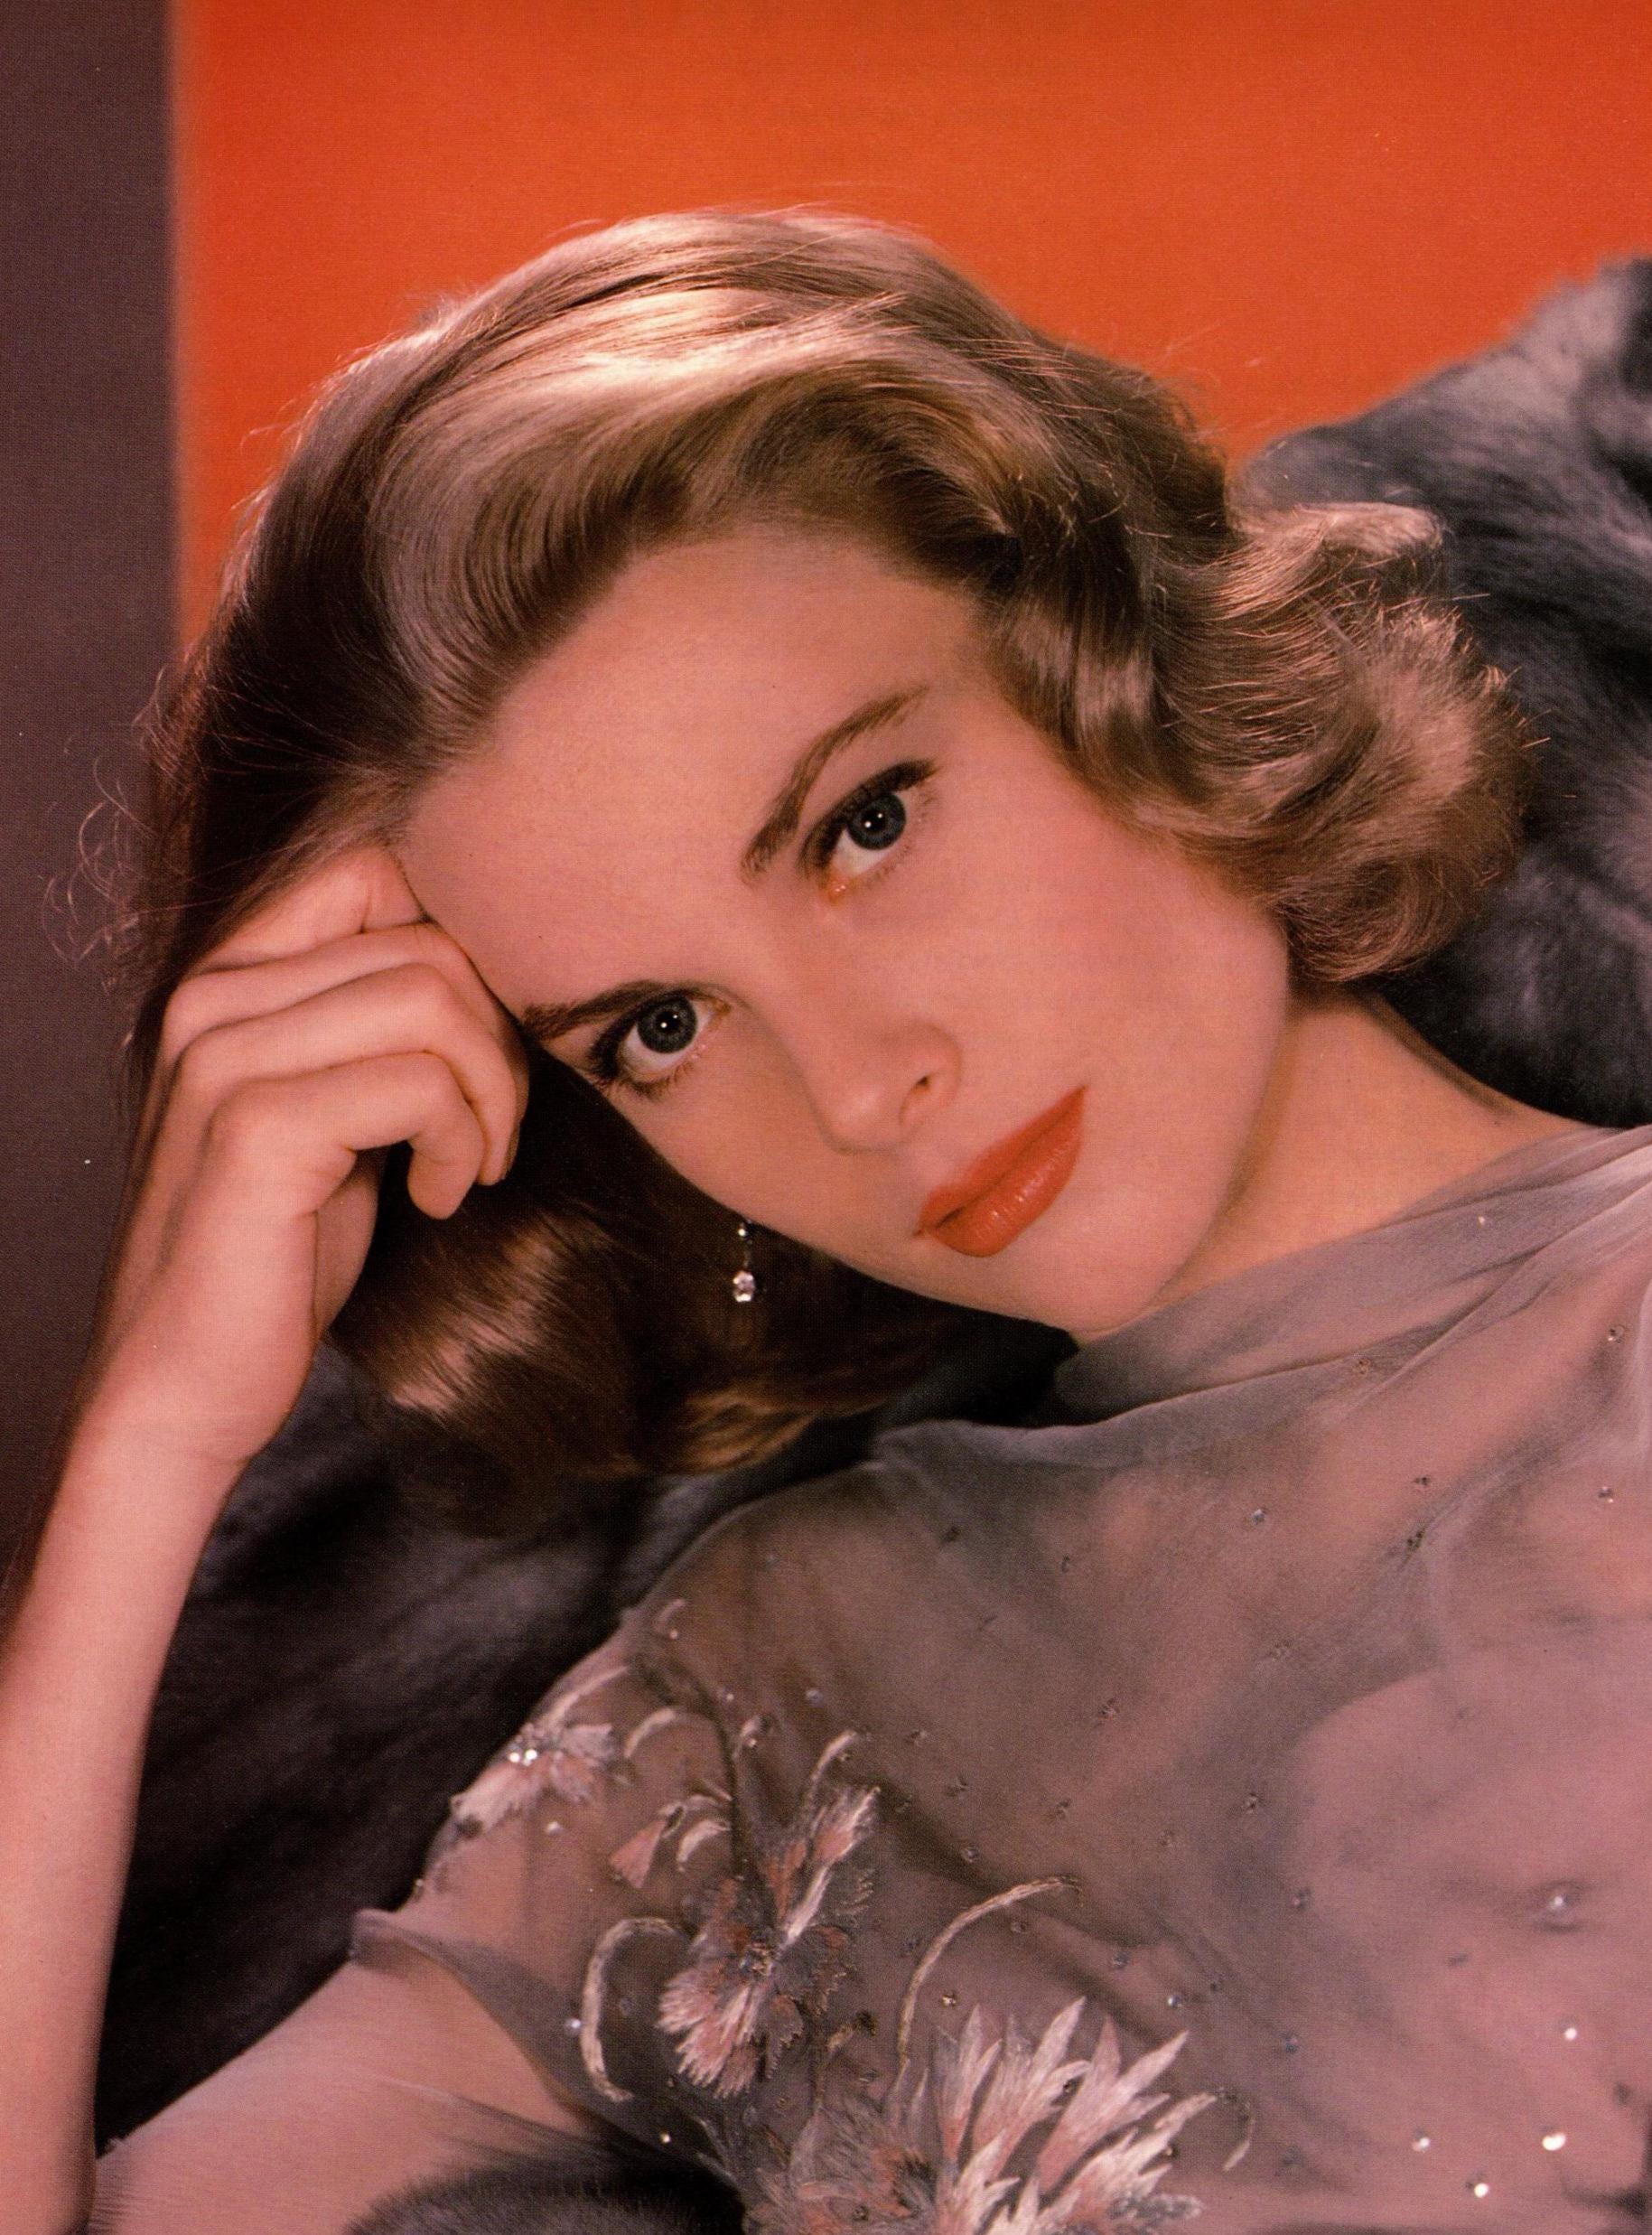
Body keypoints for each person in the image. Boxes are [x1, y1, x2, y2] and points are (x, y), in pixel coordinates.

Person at [4, 207, 1648, 2234]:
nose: (862, 1089)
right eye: (662, 1026)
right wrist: (150, 1445)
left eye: (866, 823)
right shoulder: (749, 1701)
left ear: (1116, 649)